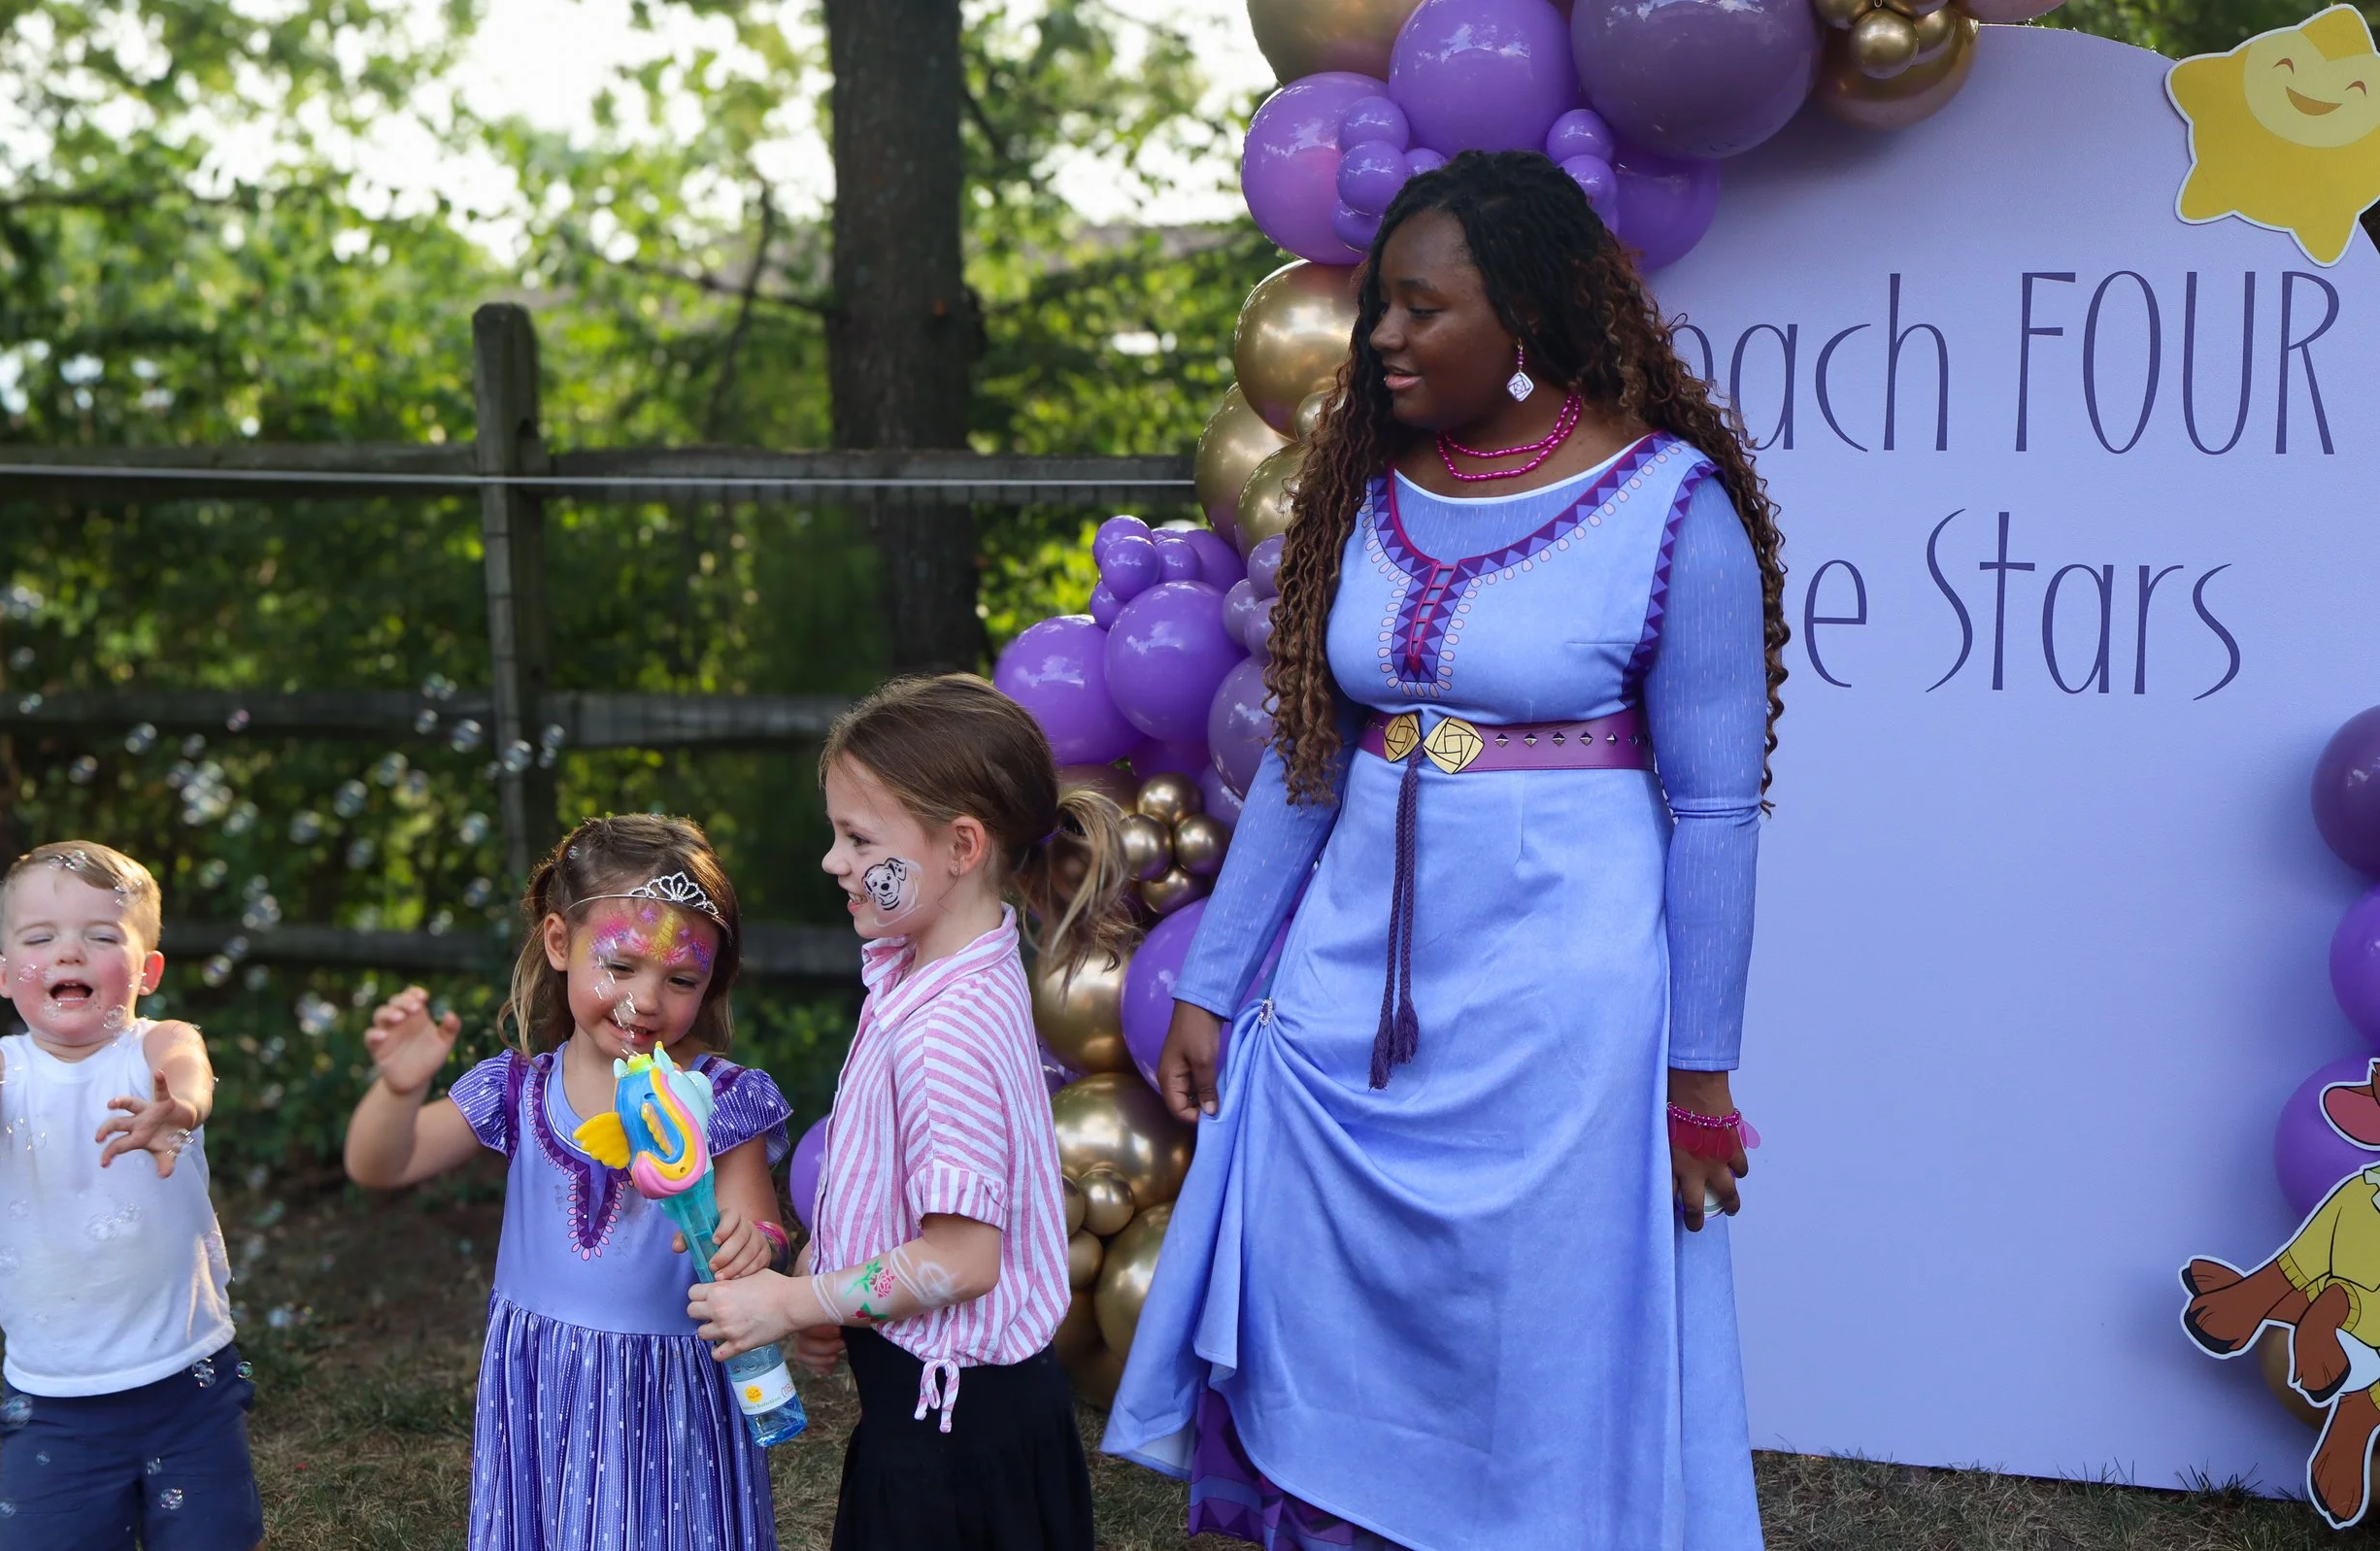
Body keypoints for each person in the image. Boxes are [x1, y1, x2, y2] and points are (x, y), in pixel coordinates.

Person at [1103, 150, 1788, 1550]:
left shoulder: (1674, 509)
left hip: (1560, 1007)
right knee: (1316, 1291)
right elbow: (1309, 757)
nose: (1383, 336)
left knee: (1534, 1323)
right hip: (1349, 989)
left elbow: (1717, 812)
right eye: (1379, 308)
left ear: (1525, 316)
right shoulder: (1364, 488)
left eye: (1423, 308)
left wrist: (1698, 1070)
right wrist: (1214, 981)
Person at [685, 674, 1127, 1551]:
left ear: (961, 845)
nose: (833, 860)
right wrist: (830, 1285)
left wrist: (795, 1299)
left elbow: (962, 1258)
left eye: (859, 838)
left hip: (955, 1454)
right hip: (946, 1418)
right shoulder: (939, 969)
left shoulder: (944, 1031)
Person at [343, 814, 791, 1551]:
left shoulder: (720, 1098)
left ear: (712, 979)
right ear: (559, 942)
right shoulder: (518, 1089)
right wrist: (399, 1090)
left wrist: (755, 1242)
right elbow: (381, 1164)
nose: (647, 1000)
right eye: (620, 966)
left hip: (668, 1394)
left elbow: (760, 1233)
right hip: (542, 1382)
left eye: (681, 979)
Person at [0, 841, 257, 1551]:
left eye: (100, 935)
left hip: (188, 1377)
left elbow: (188, 1067)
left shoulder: (156, 1047)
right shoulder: (3, 1065)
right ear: (2, 974)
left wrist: (178, 1108)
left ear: (148, 970)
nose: (69, 952)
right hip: (54, 1397)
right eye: (39, 939)